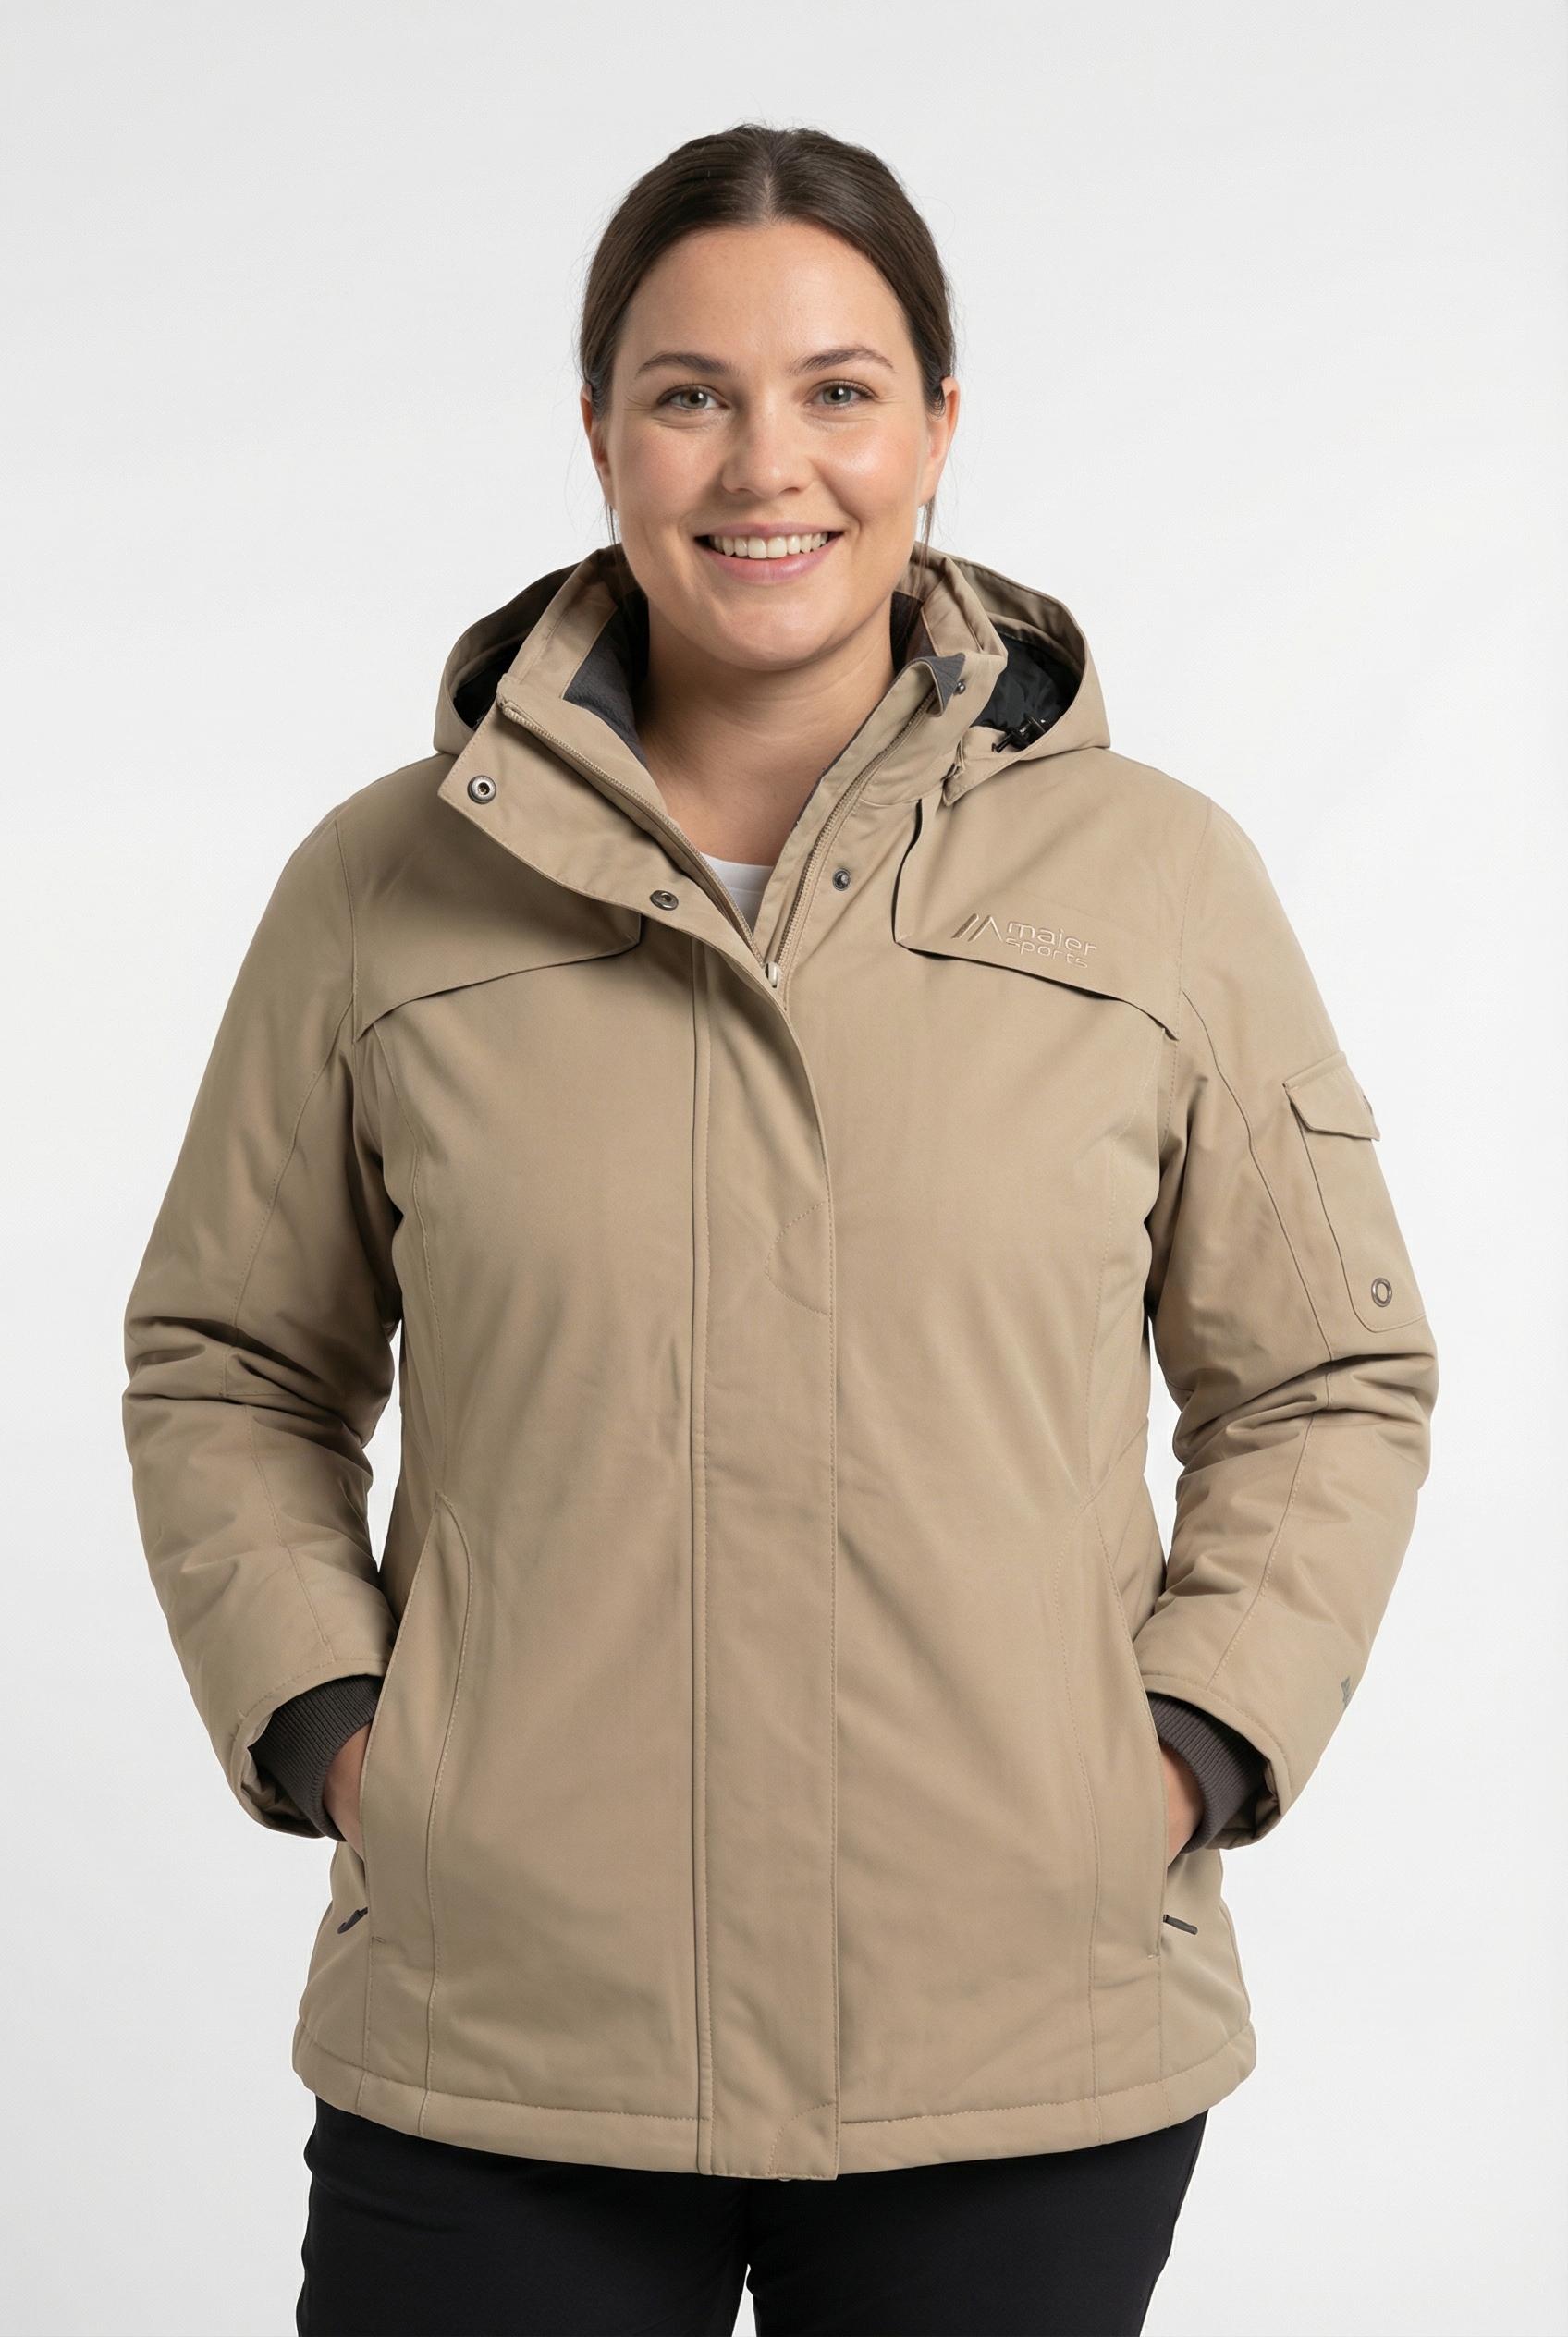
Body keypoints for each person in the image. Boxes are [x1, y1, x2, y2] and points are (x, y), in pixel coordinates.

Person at [123, 124, 1437, 2337]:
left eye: (837, 389)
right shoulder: (380, 890)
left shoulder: (1156, 885)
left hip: (1011, 2036)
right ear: (597, 434)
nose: (766, 465)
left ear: (936, 423)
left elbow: (1323, 1377)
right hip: (501, 2026)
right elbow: (227, 1363)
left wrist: (1171, 1757)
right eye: (688, 393)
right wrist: (342, 1729)